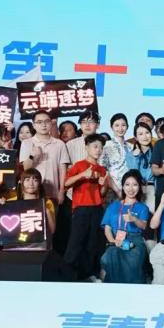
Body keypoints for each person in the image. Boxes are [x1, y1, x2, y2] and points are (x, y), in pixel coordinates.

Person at [62, 133, 109, 282]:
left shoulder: (102, 169)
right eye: (95, 146)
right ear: (87, 147)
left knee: (93, 243)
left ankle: (88, 274)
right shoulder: (79, 165)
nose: (98, 150)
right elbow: (66, 183)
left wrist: (103, 185)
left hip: (97, 208)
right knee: (76, 242)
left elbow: (102, 193)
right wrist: (83, 174)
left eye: (101, 147)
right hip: (81, 208)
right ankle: (66, 275)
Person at [100, 169, 150, 284]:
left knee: (133, 261)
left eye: (135, 185)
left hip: (135, 240)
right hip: (115, 239)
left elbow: (144, 226)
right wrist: (113, 241)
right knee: (109, 257)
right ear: (122, 187)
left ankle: (133, 289)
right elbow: (107, 228)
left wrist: (134, 219)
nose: (131, 188)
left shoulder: (143, 208)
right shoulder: (113, 206)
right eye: (127, 184)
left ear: (139, 187)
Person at [18, 110, 72, 204]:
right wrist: (32, 156)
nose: (43, 125)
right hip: (32, 193)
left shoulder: (59, 144)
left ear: (51, 123)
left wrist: (61, 191)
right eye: (39, 122)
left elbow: (62, 169)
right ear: (34, 125)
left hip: (53, 192)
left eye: (47, 121)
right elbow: (26, 168)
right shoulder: (26, 143)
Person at [102, 113, 133, 201]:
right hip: (111, 189)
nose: (120, 128)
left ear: (127, 126)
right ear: (111, 127)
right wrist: (117, 190)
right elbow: (104, 170)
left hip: (130, 189)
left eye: (123, 125)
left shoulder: (131, 146)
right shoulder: (106, 145)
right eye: (117, 125)